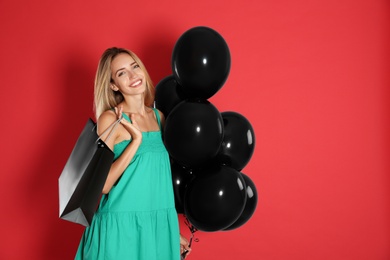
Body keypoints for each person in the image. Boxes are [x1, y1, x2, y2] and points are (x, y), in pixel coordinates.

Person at [75, 47, 191, 259]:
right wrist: (135, 141)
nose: (132, 75)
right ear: (113, 85)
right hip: (120, 228)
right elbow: (103, 185)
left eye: (134, 66)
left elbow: (162, 179)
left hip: (156, 227)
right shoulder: (110, 119)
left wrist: (172, 232)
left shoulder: (160, 118)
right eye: (121, 73)